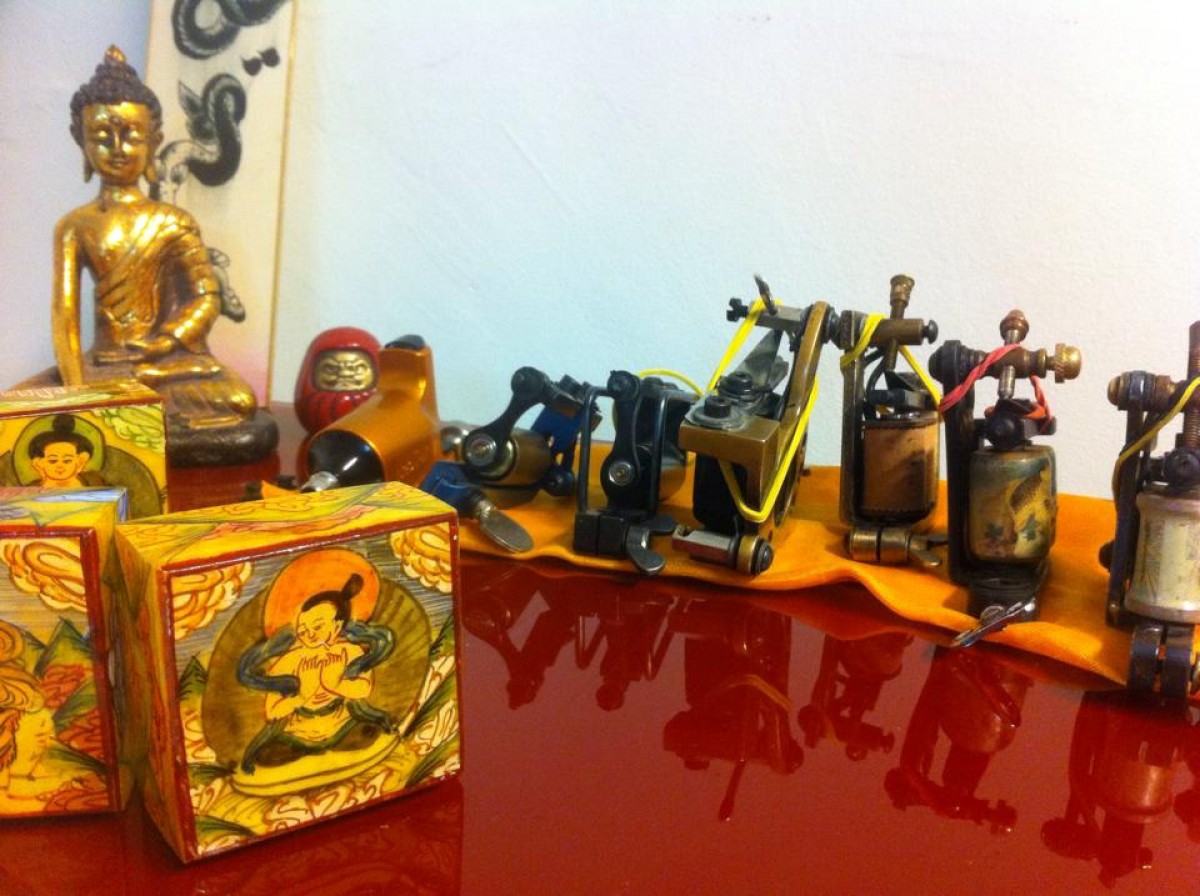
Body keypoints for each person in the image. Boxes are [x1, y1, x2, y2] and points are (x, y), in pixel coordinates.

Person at [41, 46, 275, 462]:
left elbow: (206, 297)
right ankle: (123, 415)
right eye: (101, 136)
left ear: (154, 141)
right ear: (81, 142)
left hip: (167, 366)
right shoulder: (75, 226)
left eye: (132, 135)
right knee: (24, 397)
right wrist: (77, 396)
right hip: (103, 369)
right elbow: (65, 319)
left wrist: (165, 342)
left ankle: (132, 419)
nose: (118, 147)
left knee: (238, 399)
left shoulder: (173, 221)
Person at [237, 574, 396, 773]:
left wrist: (337, 685)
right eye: (303, 630)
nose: (309, 634)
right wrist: (299, 698)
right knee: (267, 757)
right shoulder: (290, 660)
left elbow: (363, 689)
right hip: (299, 732)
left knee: (370, 733)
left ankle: (335, 750)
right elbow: (272, 711)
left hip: (342, 723)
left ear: (337, 626)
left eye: (318, 626)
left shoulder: (349, 651)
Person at [26, 415, 104, 489]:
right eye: (53, 461)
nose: (60, 466)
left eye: (67, 461)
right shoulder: (29, 491)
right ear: (38, 463)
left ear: (81, 461)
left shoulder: (94, 482)